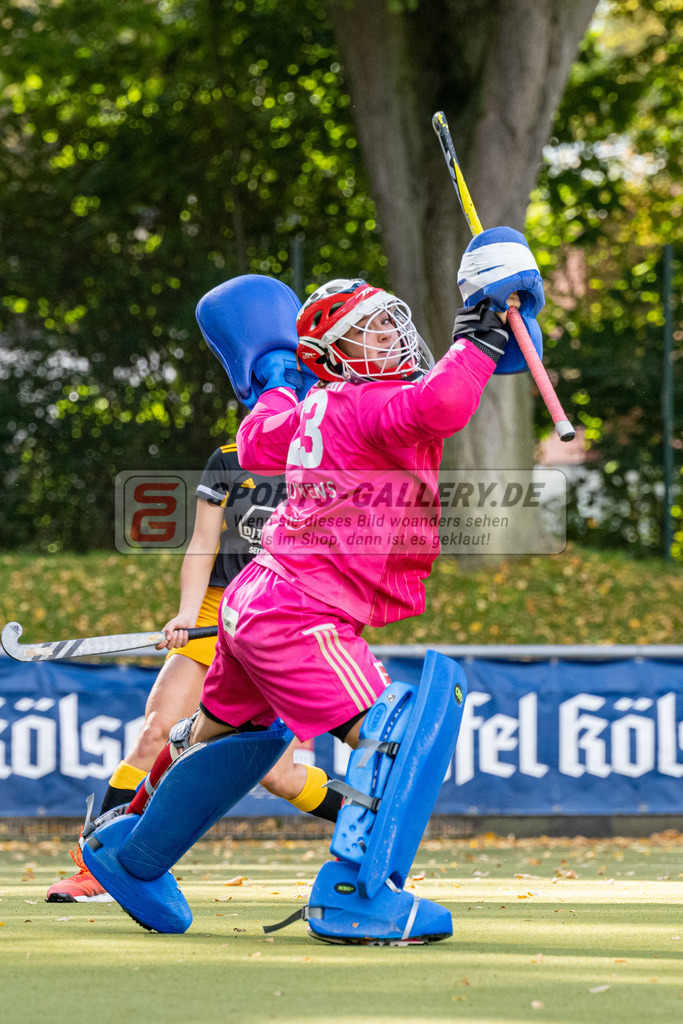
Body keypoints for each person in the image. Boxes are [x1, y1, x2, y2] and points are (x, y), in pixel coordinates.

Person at [80, 237, 542, 941]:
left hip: (259, 601)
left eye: (392, 323)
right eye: (370, 333)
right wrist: (479, 331)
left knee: (227, 739)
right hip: (299, 609)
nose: (392, 336)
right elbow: (442, 404)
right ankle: (355, 894)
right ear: (331, 360)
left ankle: (130, 853)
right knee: (391, 733)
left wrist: (273, 375)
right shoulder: (367, 405)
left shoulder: (313, 410)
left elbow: (260, 432)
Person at [46, 441, 342, 903]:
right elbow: (203, 542)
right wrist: (187, 614)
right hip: (216, 607)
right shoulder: (230, 457)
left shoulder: (333, 451)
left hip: (282, 613)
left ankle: (373, 823)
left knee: (280, 777)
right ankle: (99, 868)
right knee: (156, 731)